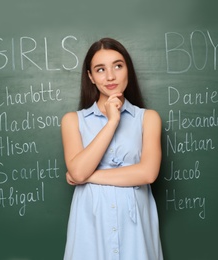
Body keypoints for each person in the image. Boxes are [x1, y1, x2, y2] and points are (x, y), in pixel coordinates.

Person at [61, 37, 163, 260]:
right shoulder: (72, 121)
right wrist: (112, 122)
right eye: (100, 69)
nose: (110, 76)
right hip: (90, 225)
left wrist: (88, 176)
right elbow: (78, 171)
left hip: (135, 228)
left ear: (128, 69)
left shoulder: (148, 118)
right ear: (90, 76)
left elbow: (148, 173)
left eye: (118, 66)